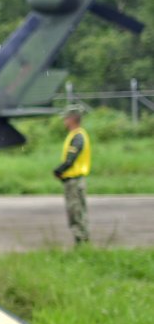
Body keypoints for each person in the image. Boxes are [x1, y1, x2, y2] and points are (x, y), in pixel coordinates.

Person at [54, 105, 92, 246]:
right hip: (74, 180)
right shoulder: (77, 135)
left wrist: (58, 171)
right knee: (78, 211)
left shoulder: (77, 136)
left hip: (74, 181)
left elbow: (71, 159)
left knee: (75, 212)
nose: (64, 121)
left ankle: (81, 242)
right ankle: (83, 240)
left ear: (72, 119)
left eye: (66, 118)